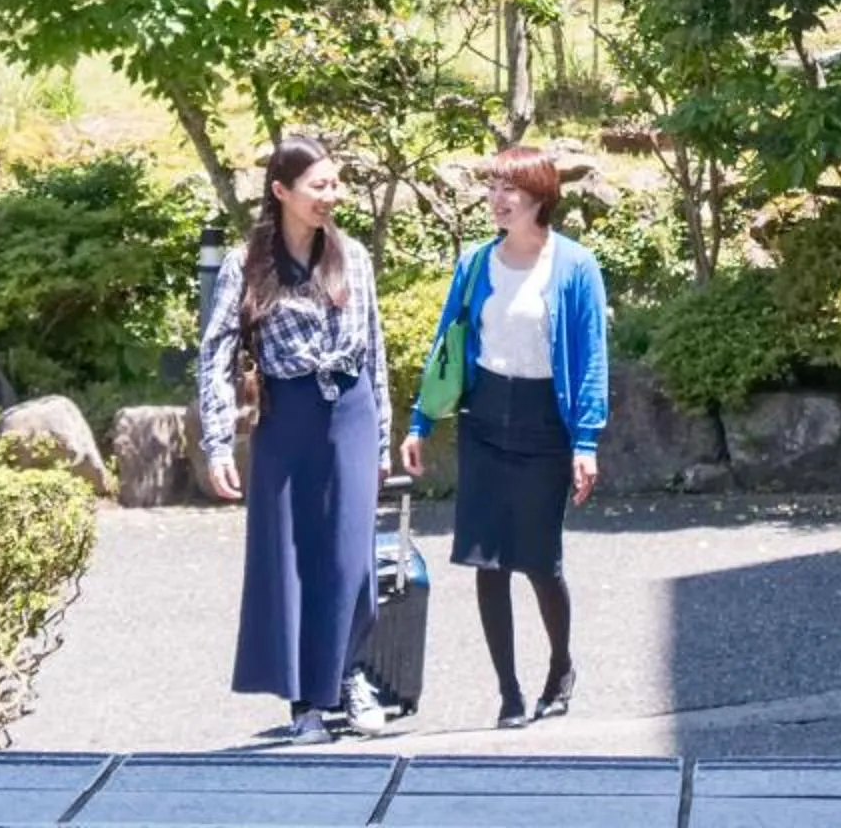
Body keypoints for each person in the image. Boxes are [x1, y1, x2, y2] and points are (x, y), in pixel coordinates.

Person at [400, 148, 610, 730]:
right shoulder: (474, 263)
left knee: (541, 561)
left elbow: (591, 360)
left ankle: (561, 666)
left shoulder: (575, 266)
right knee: (487, 560)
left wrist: (585, 441)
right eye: (492, 187)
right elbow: (447, 344)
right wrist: (420, 422)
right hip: (485, 415)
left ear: (540, 196)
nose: (497, 199)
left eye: (509, 189)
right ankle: (509, 692)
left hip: (546, 419)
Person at [197, 137, 391, 745]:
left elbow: (376, 349)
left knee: (350, 557)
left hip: (351, 408)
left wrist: (382, 435)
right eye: (318, 187)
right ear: (281, 191)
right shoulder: (246, 263)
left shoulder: (352, 255)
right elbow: (216, 353)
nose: (330, 197)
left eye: (335, 185)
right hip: (287, 413)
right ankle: (305, 704)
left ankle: (351, 675)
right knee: (289, 558)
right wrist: (217, 441)